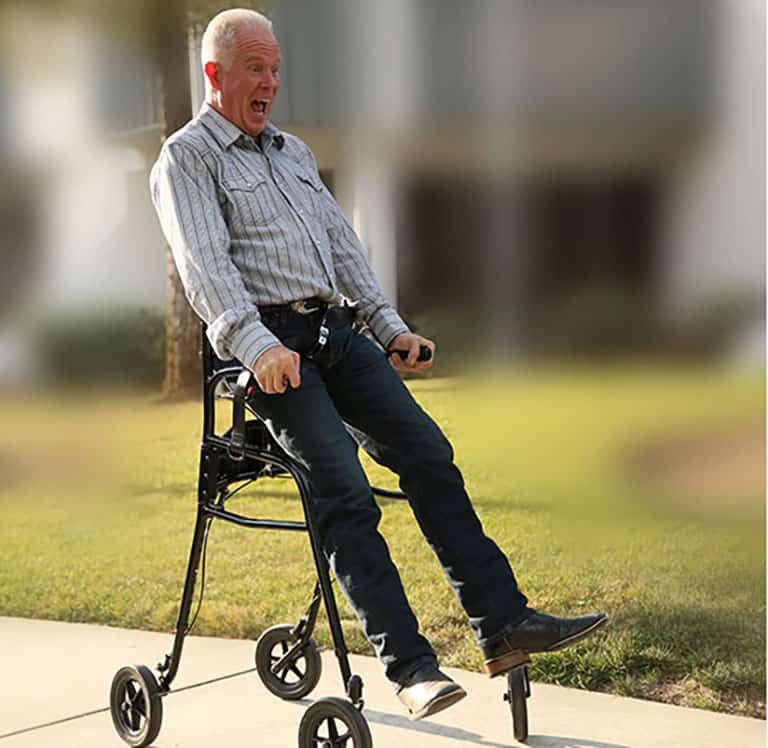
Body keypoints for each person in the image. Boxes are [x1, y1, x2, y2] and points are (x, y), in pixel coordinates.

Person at [150, 8, 607, 721]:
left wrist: (389, 329)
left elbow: (342, 248)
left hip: (335, 334)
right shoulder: (188, 157)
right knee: (345, 490)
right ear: (215, 73)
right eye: (255, 69)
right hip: (270, 352)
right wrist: (258, 346)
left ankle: (504, 624)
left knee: (428, 454)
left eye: (275, 70)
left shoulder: (292, 153)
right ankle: (411, 667)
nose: (270, 82)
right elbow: (205, 268)